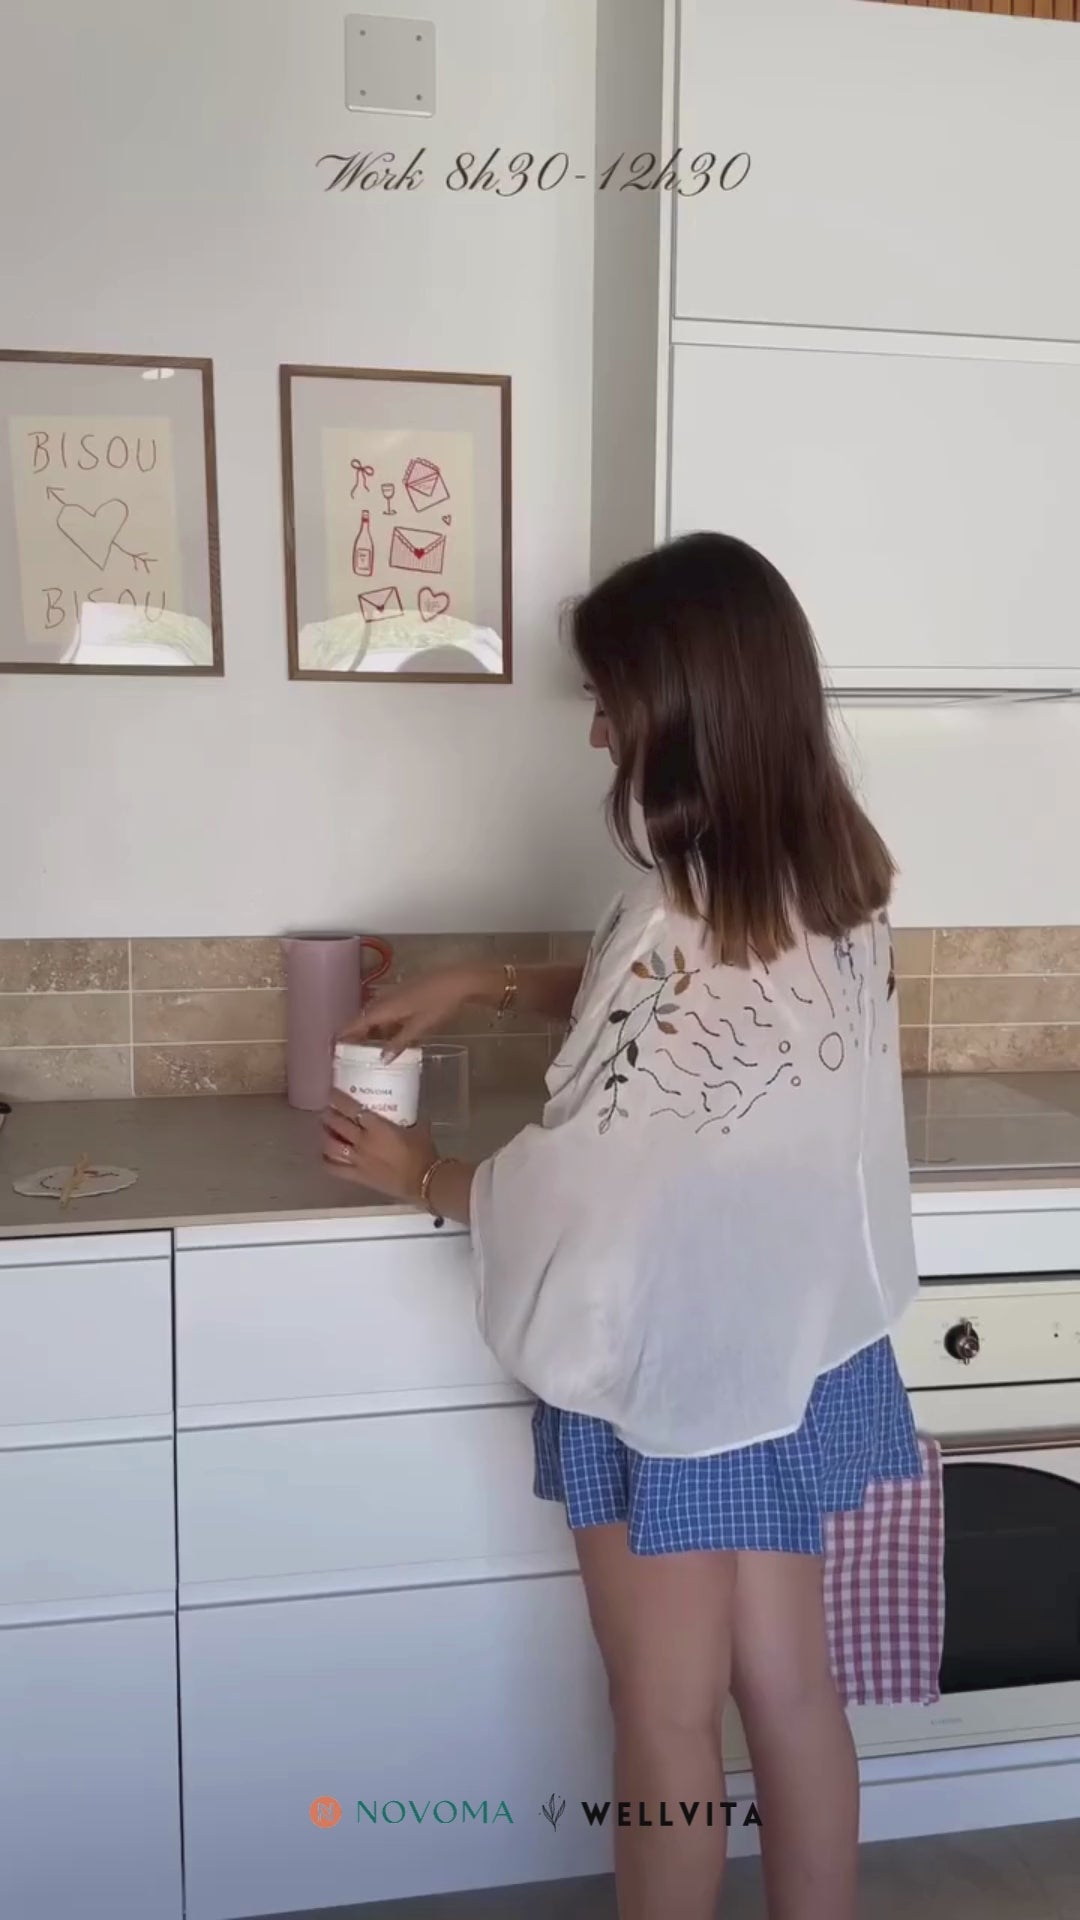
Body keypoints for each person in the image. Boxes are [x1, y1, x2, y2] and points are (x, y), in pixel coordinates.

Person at [322, 531, 921, 1920]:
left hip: (667, 1370)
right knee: (794, 1696)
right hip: (793, 1351)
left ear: (683, 711)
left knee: (663, 1721)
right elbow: (664, 1000)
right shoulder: (835, 895)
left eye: (609, 701)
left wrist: (422, 1172)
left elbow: (576, 1190)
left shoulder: (676, 919)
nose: (596, 730)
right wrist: (485, 980)